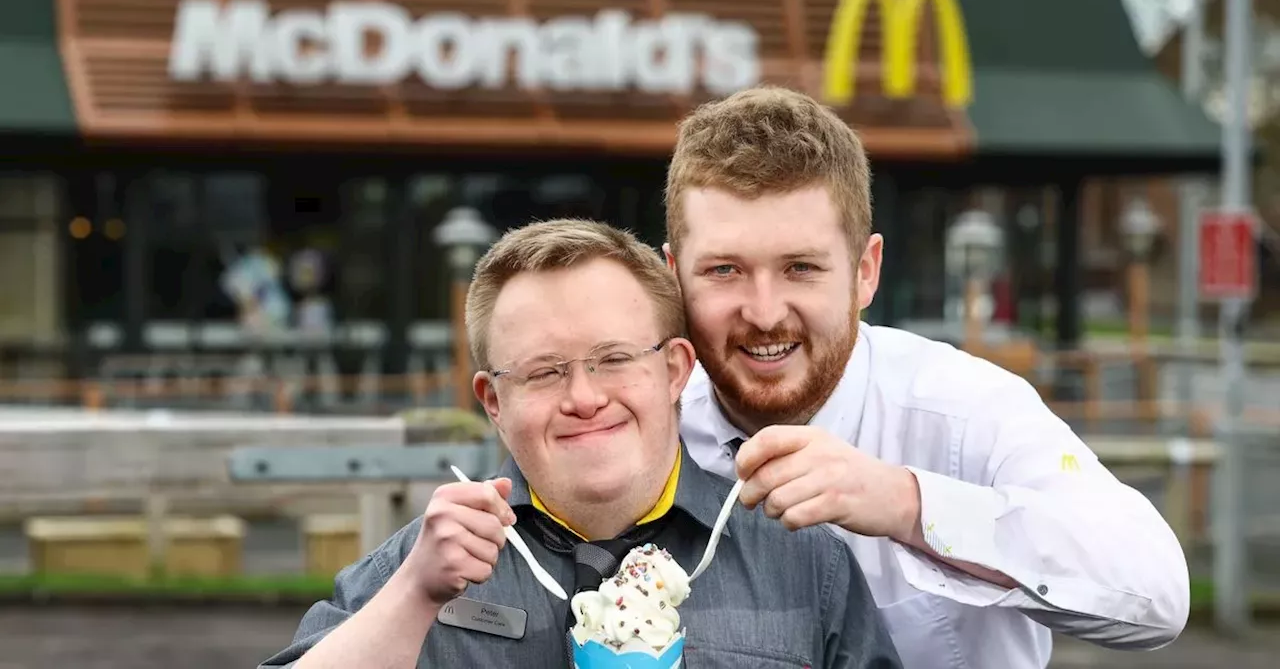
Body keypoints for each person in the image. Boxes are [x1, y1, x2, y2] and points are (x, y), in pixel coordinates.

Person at [664, 87, 1190, 669]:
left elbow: (1157, 594)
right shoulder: (644, 425)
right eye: (724, 270)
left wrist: (907, 504)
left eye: (801, 268)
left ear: (866, 273)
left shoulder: (965, 409)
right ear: (673, 278)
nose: (764, 313)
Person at [260, 219, 902, 668]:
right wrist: (412, 598)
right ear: (492, 401)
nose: (584, 398)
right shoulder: (419, 571)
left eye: (614, 359)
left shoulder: (802, 566)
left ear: (675, 370)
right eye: (543, 372)